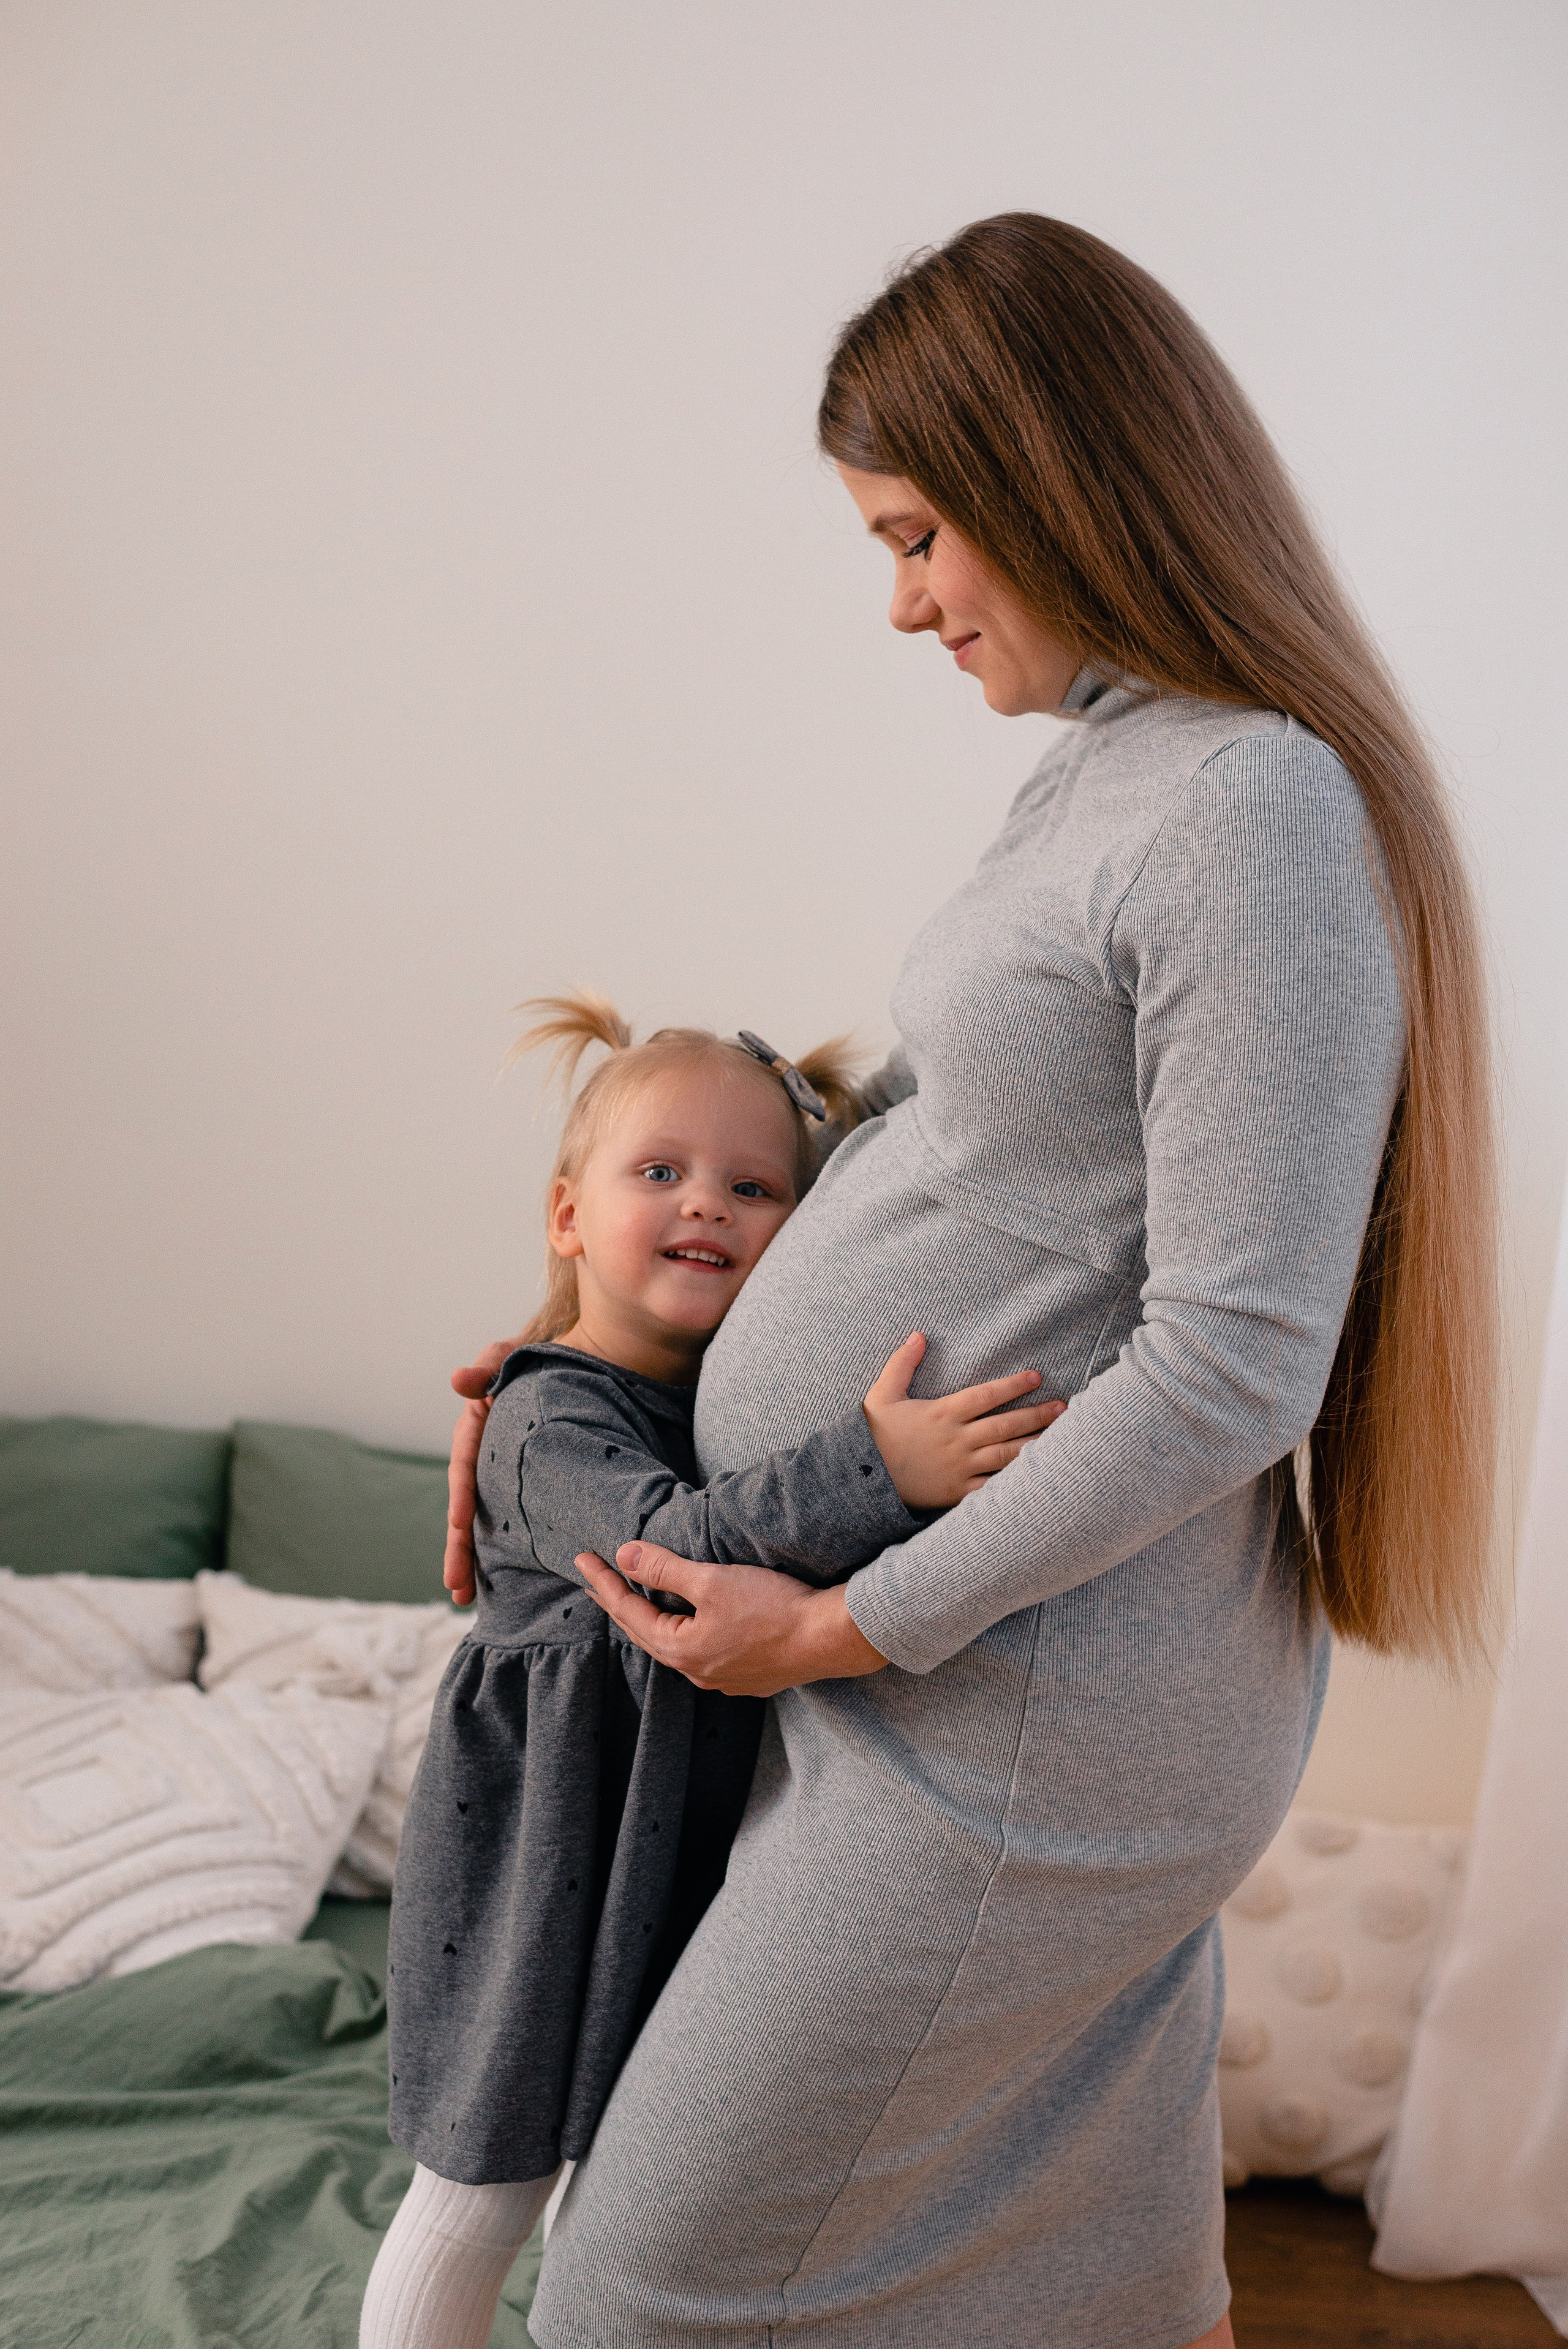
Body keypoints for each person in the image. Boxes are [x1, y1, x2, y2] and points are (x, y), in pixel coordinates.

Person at [454, 216, 1499, 2349]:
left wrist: (846, 1613)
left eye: (921, 532)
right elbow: (967, 1168)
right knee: (1112, 2266)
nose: (907, 598)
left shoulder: (1251, 802)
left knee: (641, 2285)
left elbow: (1234, 1356)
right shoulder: (1109, 770)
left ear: (1056, 475)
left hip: (1023, 1710)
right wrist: (599, 1373)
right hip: (1004, 1680)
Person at [361, 994, 1060, 2349]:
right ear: (567, 1217)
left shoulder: (713, 1411)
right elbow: (668, 1553)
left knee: (625, 2204)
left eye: (754, 1188)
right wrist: (882, 1468)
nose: (710, 1206)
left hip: (669, 1857)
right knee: (473, 2201)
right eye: (660, 1172)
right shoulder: (539, 1410)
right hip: (538, 1876)